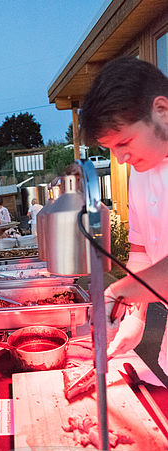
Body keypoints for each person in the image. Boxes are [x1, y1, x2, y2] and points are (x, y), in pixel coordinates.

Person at [80, 56, 168, 375]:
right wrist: (135, 317)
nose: (120, 157)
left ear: (162, 111)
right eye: (110, 148)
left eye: (124, 142)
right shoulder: (140, 172)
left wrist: (119, 292)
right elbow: (142, 252)